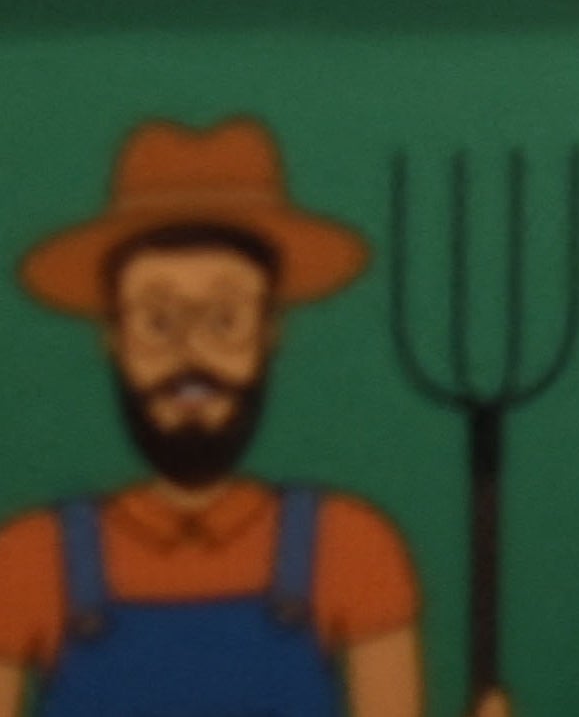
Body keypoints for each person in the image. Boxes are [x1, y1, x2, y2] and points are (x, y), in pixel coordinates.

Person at [0, 121, 443, 717]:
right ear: (113, 336)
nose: (191, 358)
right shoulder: (30, 558)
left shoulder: (351, 547)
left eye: (225, 321)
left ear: (271, 331)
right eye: (158, 323)